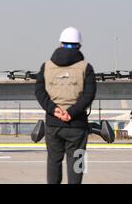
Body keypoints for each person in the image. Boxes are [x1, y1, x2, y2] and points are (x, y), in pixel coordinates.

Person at [35, 27, 96, 184]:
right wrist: (71, 112)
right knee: (77, 163)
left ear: (61, 43)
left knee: (54, 161)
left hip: (53, 124)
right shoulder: (86, 67)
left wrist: (54, 109)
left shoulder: (46, 66)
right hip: (77, 124)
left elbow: (39, 92)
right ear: (79, 45)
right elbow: (89, 95)